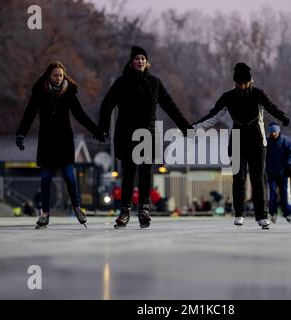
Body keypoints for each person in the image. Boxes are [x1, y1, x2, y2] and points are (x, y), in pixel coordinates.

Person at [99, 46, 193, 229]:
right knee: (128, 173)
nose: (140, 61)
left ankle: (144, 209)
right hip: (127, 133)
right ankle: (125, 211)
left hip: (147, 134)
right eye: (137, 58)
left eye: (143, 58)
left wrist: (185, 127)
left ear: (146, 62)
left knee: (145, 173)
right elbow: (107, 104)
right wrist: (103, 129)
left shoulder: (154, 83)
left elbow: (170, 106)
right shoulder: (122, 82)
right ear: (131, 61)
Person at [193, 62, 290, 230]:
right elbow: (213, 115)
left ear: (250, 81)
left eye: (246, 83)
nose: (243, 86)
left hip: (258, 142)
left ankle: (262, 215)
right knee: (238, 178)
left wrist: (283, 117)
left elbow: (271, 108)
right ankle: (239, 213)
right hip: (237, 141)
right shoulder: (228, 97)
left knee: (258, 179)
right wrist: (194, 127)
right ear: (235, 82)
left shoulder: (258, 94)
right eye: (240, 83)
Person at [16, 61, 106, 229]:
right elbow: (29, 113)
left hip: (64, 141)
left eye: (61, 75)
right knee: (45, 179)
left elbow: (80, 115)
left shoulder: (69, 92)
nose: (58, 78)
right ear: (49, 76)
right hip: (46, 142)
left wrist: (97, 131)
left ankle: (78, 208)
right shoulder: (40, 92)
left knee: (70, 177)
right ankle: (45, 214)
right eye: (55, 75)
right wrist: (21, 134)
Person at [266, 122, 291, 223]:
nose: (273, 133)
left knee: (284, 193)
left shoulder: (285, 141)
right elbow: (262, 155)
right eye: (271, 131)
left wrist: (288, 164)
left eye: (275, 131)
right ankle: (272, 212)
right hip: (271, 172)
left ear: (278, 131)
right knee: (272, 193)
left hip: (283, 173)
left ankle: (287, 213)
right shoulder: (267, 141)